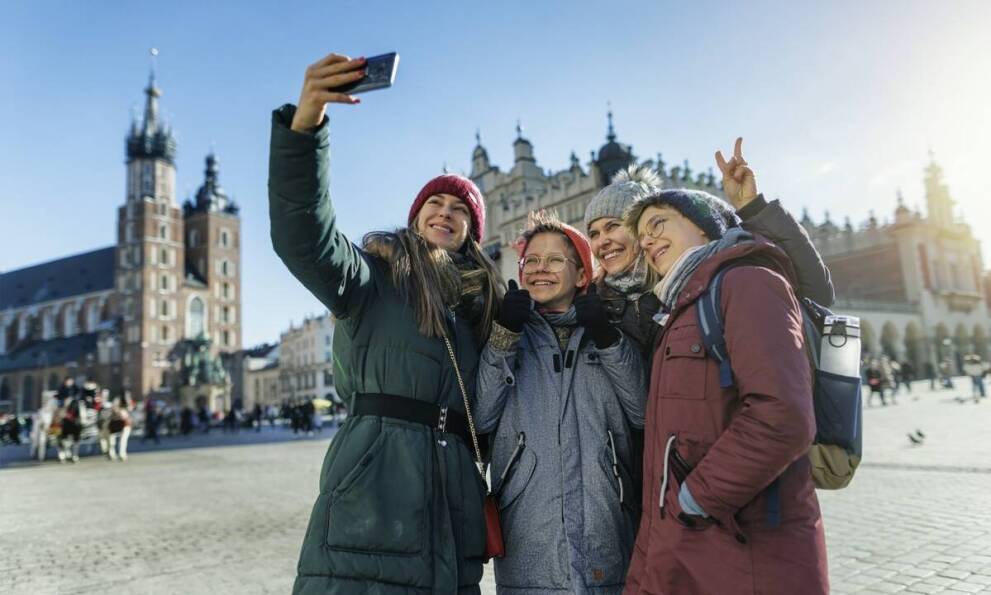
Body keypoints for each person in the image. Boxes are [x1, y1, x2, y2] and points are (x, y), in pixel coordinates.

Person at [269, 52, 504, 593]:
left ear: (472, 230)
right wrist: (305, 128)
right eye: (435, 203)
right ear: (417, 216)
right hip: (375, 484)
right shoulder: (373, 277)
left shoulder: (480, 307)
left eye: (460, 209)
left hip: (453, 494)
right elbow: (303, 235)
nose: (446, 212)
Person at [623, 145, 828, 593]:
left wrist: (696, 500)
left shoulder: (748, 281)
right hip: (693, 546)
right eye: (641, 236)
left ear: (704, 227)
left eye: (658, 223)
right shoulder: (680, 308)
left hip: (747, 547)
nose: (647, 240)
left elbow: (783, 417)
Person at [476, 211, 645, 593]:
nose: (540, 269)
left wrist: (606, 337)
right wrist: (504, 336)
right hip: (528, 538)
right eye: (531, 261)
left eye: (554, 260)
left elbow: (642, 409)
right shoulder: (507, 333)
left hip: (608, 532)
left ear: (582, 274)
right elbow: (481, 417)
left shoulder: (610, 330)